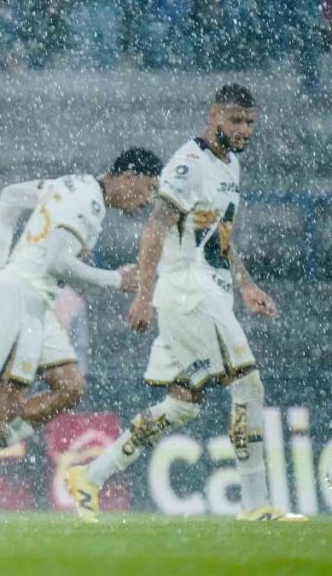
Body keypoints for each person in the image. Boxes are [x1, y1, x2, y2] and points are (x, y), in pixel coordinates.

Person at [66, 84, 309, 522]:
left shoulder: (231, 166)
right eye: (235, 120)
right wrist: (143, 294)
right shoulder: (188, 162)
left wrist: (247, 285)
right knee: (247, 383)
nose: (244, 130)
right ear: (213, 115)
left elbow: (220, 236)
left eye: (251, 122)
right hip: (189, 291)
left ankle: (91, 475)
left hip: (211, 290)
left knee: (182, 404)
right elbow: (155, 228)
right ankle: (255, 505)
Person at [0, 148, 163, 521]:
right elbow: (58, 262)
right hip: (22, 296)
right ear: (128, 176)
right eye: (148, 189)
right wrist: (116, 279)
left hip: (35, 299)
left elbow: (9, 197)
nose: (147, 201)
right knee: (5, 401)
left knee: (70, 386)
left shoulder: (70, 183)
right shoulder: (89, 201)